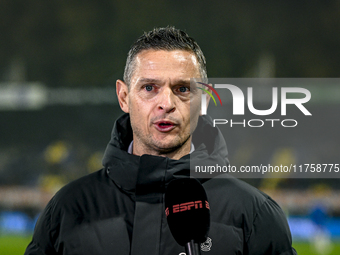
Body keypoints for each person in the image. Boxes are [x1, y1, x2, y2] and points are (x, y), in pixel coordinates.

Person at [25, 26, 297, 255]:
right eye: (149, 88)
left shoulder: (254, 213)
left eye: (182, 89)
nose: (166, 103)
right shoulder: (67, 209)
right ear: (123, 97)